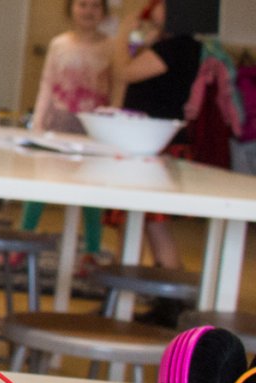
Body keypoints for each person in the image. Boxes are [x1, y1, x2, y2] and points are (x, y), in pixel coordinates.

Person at [113, 0, 203, 324]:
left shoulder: (176, 47)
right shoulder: (177, 46)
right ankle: (164, 301)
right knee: (150, 223)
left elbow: (123, 71)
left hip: (157, 145)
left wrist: (125, 32)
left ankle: (172, 302)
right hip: (154, 142)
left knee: (155, 223)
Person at [20, 0, 115, 268]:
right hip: (58, 125)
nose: (88, 11)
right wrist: (38, 123)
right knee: (40, 186)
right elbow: (47, 84)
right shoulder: (59, 44)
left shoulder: (111, 47)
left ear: (104, 12)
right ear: (71, 9)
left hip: (93, 129)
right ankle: (23, 239)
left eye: (95, 6)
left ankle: (92, 251)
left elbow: (117, 86)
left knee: (92, 192)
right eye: (82, 5)